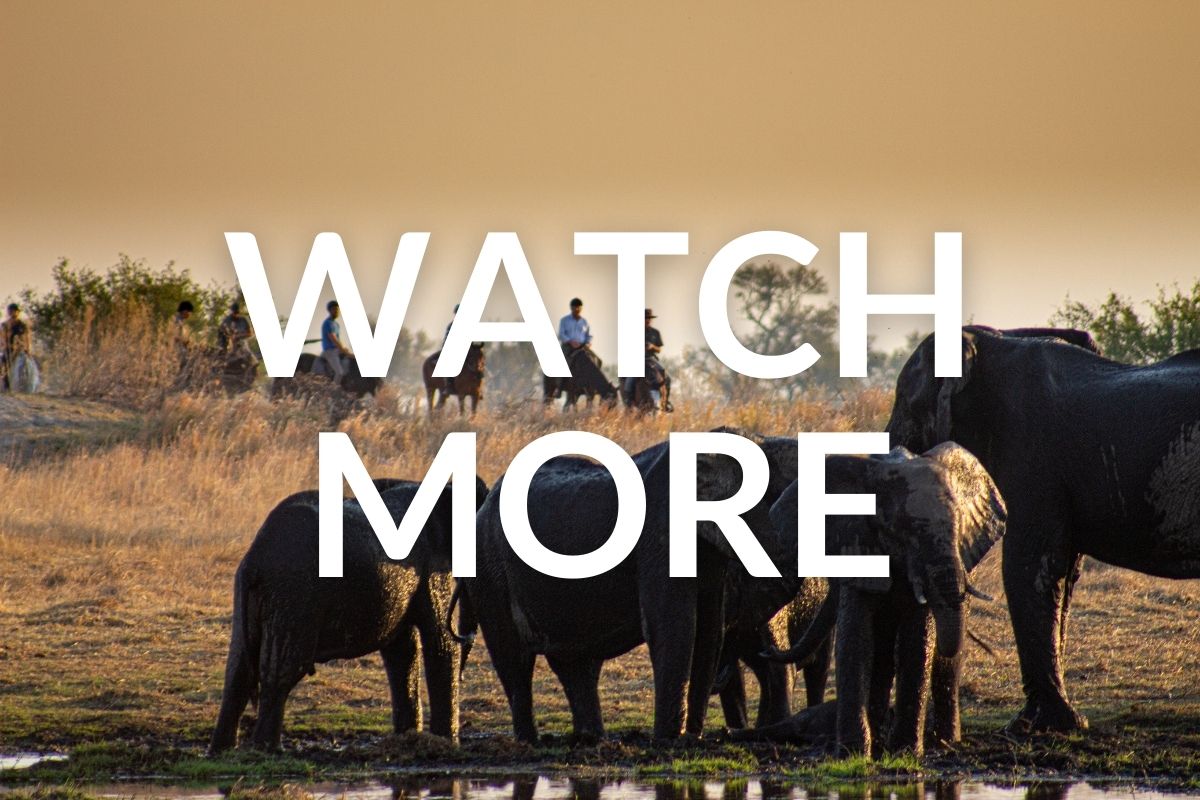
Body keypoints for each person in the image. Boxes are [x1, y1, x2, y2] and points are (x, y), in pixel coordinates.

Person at [623, 308, 666, 406]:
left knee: (665, 375)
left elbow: (659, 349)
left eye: (649, 318)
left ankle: (665, 401)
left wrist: (652, 346)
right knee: (630, 379)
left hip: (651, 359)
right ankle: (628, 400)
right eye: (645, 318)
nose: (647, 320)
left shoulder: (656, 332)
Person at [321, 300, 351, 383]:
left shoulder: (336, 324)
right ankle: (333, 390)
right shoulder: (328, 323)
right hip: (330, 351)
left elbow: (338, 340)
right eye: (334, 309)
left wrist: (344, 349)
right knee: (339, 373)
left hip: (336, 350)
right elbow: (333, 339)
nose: (337, 311)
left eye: (337, 309)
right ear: (330, 311)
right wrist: (342, 350)